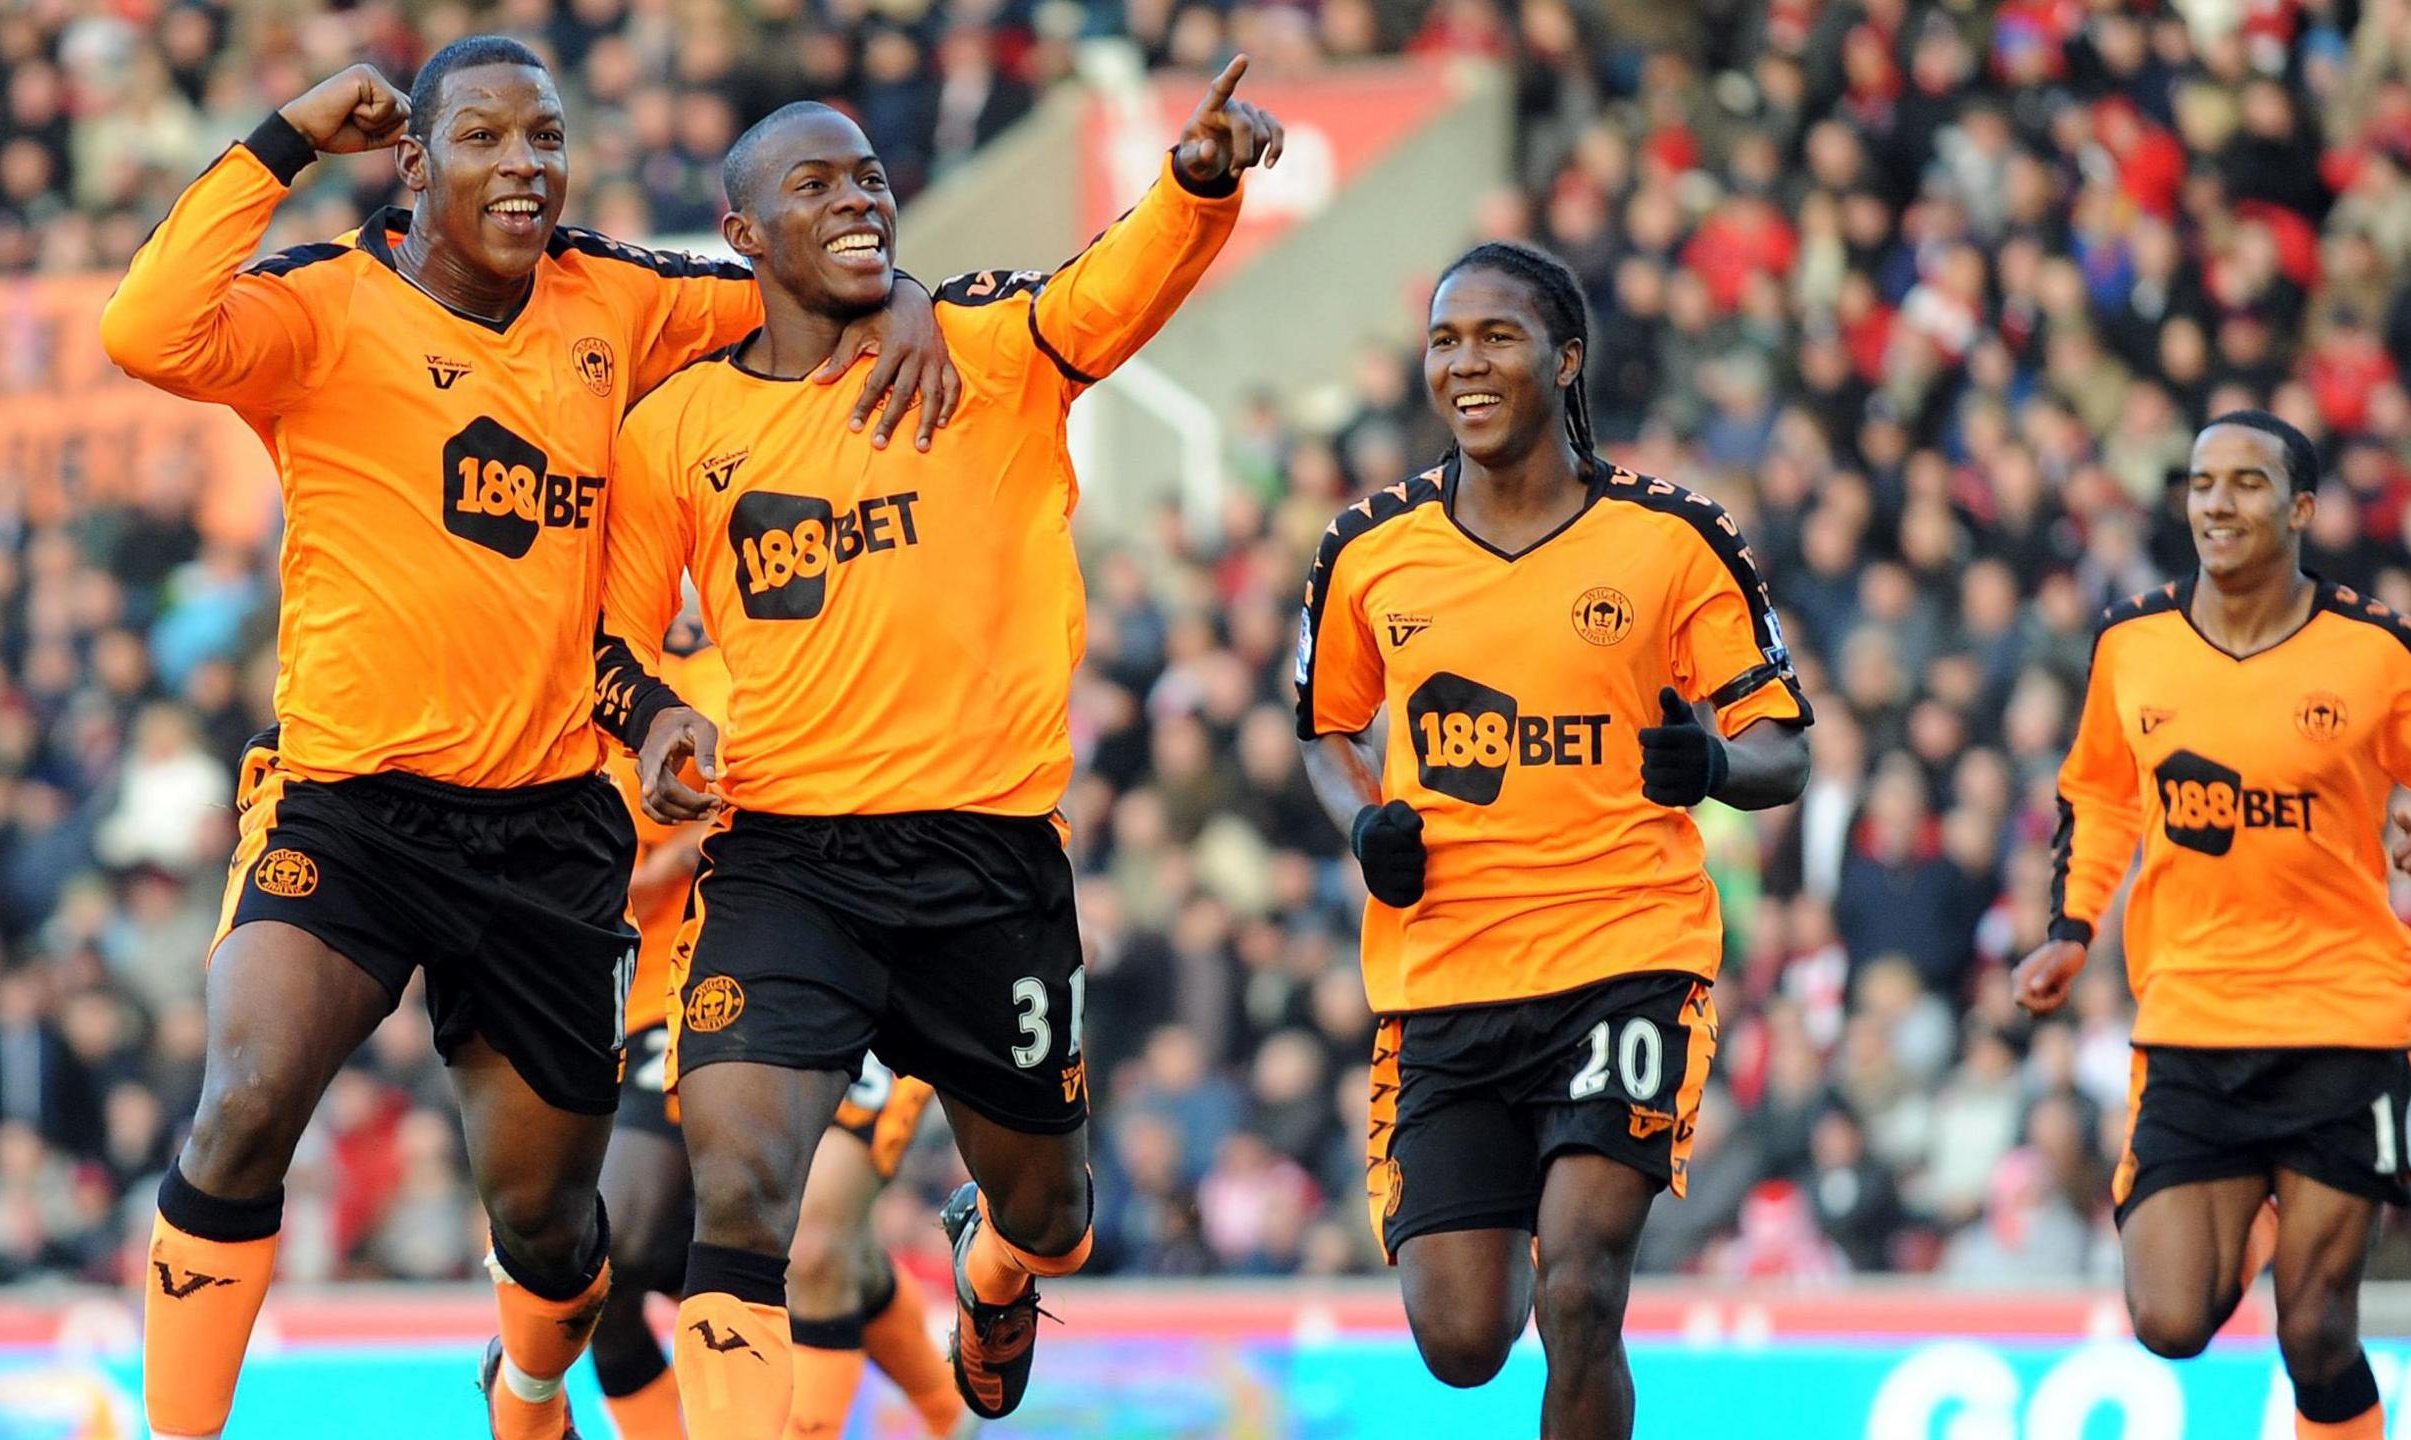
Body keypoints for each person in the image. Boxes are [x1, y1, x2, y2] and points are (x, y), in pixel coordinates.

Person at [98, 41, 953, 1440]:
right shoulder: (323, 307)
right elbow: (145, 330)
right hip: (348, 804)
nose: (525, 166)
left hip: (552, 827)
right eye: (485, 138)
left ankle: (531, 1384)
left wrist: (906, 291)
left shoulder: (616, 294)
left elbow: (801, 272)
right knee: (245, 1104)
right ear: (415, 162)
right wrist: (282, 142)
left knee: (558, 1235)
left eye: (545, 138)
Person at [591, 63, 1281, 1438]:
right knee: (743, 1197)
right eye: (817, 183)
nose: (859, 198)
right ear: (745, 240)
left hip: (989, 859)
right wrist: (658, 721)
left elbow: (1111, 292)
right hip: (786, 864)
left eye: (867, 177)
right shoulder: (680, 430)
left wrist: (1197, 185)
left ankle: (993, 1260)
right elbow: (604, 640)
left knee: (1057, 1212)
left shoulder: (987, 349)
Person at [1293, 241, 1812, 1439]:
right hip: (1446, 977)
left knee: (1578, 1288)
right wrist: (1365, 821)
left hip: (1625, 956)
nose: (1465, 363)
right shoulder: (1370, 551)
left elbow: (1784, 741)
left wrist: (1717, 765)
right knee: (1463, 1343)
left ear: (1564, 358)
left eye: (1495, 337)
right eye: (1444, 341)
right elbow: (1323, 731)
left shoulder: (1673, 540)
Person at [2015, 410, 2411, 1440]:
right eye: (2201, 482)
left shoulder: (2374, 653)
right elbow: (2100, 796)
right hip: (2191, 1018)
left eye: (2247, 483)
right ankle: (2266, 1204)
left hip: (2342, 1019)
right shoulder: (2131, 645)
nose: (2217, 502)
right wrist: (2073, 926)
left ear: (2301, 508)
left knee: (2314, 1332)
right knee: (2168, 1320)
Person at [591, 641, 963, 1440]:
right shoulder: (598, 657)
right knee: (620, 1253)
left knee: (821, 1232)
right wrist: (647, 872)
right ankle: (947, 1410)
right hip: (680, 988)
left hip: (876, 953)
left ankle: (941, 1412)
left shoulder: (837, 611)